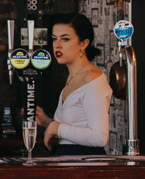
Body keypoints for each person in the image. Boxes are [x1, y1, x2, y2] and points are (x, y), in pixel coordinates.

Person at [35, 13, 112, 156]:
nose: (57, 45)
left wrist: (56, 128)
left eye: (65, 39)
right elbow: (76, 127)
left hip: (86, 164)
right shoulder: (73, 76)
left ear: (83, 43)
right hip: (69, 160)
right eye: (54, 39)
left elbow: (100, 137)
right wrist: (47, 122)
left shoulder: (93, 80)